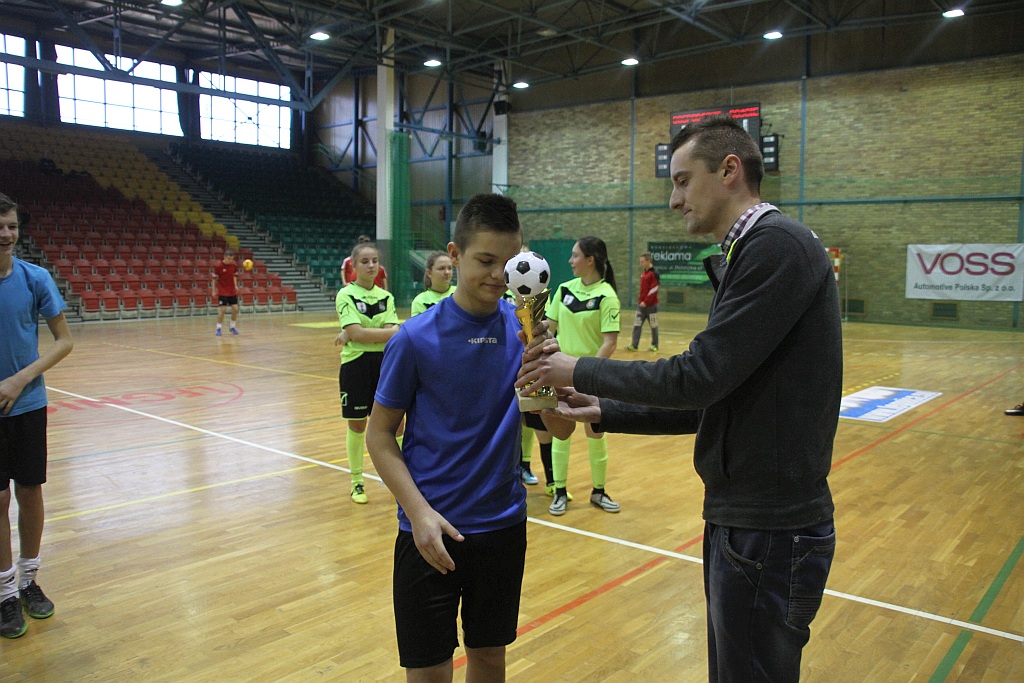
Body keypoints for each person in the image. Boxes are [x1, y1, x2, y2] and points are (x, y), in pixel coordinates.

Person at [518, 115, 841, 682]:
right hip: (748, 520)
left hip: (770, 526)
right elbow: (713, 398)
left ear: (730, 171)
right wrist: (605, 409)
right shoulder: (752, 251)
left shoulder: (776, 247)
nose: (673, 199)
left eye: (683, 180)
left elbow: (700, 377)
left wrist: (580, 369)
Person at [366, 194, 528, 683]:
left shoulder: (525, 330)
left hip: (502, 527)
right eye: (485, 260)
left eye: (509, 262)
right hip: (428, 532)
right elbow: (378, 436)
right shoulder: (414, 338)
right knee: (429, 671)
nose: (499, 275)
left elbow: (557, 427)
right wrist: (418, 514)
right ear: (454, 255)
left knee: (490, 659)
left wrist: (546, 370)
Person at [0, 192, 74, 639]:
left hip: (27, 405)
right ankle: (5, 593)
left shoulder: (35, 278)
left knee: (29, 492)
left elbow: (64, 341)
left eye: (10, 226)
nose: (6, 235)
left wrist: (18, 379)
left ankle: (28, 581)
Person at [543, 236, 621, 516]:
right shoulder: (563, 289)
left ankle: (599, 491)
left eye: (575, 256)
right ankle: (560, 490)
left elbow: (609, 342)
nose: (570, 261)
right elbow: (548, 328)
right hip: (559, 374)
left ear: (590, 260)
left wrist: (588, 374)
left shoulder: (607, 296)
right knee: (560, 433)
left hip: (591, 378)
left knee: (595, 433)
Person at [335, 240, 400, 504]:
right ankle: (357, 482)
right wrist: (362, 334)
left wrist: (360, 334)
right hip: (355, 365)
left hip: (385, 364)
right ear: (354, 265)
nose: (371, 265)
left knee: (396, 425)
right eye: (365, 261)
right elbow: (356, 333)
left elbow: (392, 334)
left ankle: (402, 477)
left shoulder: (386, 297)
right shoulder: (346, 294)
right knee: (358, 424)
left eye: (374, 261)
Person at [624, 252, 660, 352]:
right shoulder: (644, 273)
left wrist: (646, 301)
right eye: (640, 262)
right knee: (637, 324)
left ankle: (655, 345)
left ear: (649, 261)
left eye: (643, 262)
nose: (641, 264)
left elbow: (654, 289)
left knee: (653, 325)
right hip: (641, 306)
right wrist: (640, 301)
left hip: (651, 306)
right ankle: (634, 345)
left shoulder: (654, 274)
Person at [409, 251, 455, 316]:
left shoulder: (461, 294)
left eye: (449, 268)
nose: (447, 272)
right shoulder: (420, 301)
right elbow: (419, 325)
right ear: (429, 273)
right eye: (441, 268)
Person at [210, 249, 241, 336]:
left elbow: (234, 276)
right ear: (224, 257)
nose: (230, 260)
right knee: (223, 310)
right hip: (222, 291)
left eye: (231, 259)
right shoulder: (218, 266)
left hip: (232, 291)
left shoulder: (233, 265)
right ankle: (218, 328)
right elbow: (213, 279)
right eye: (228, 259)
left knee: (235, 309)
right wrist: (213, 290)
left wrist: (235, 285)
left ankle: (232, 327)